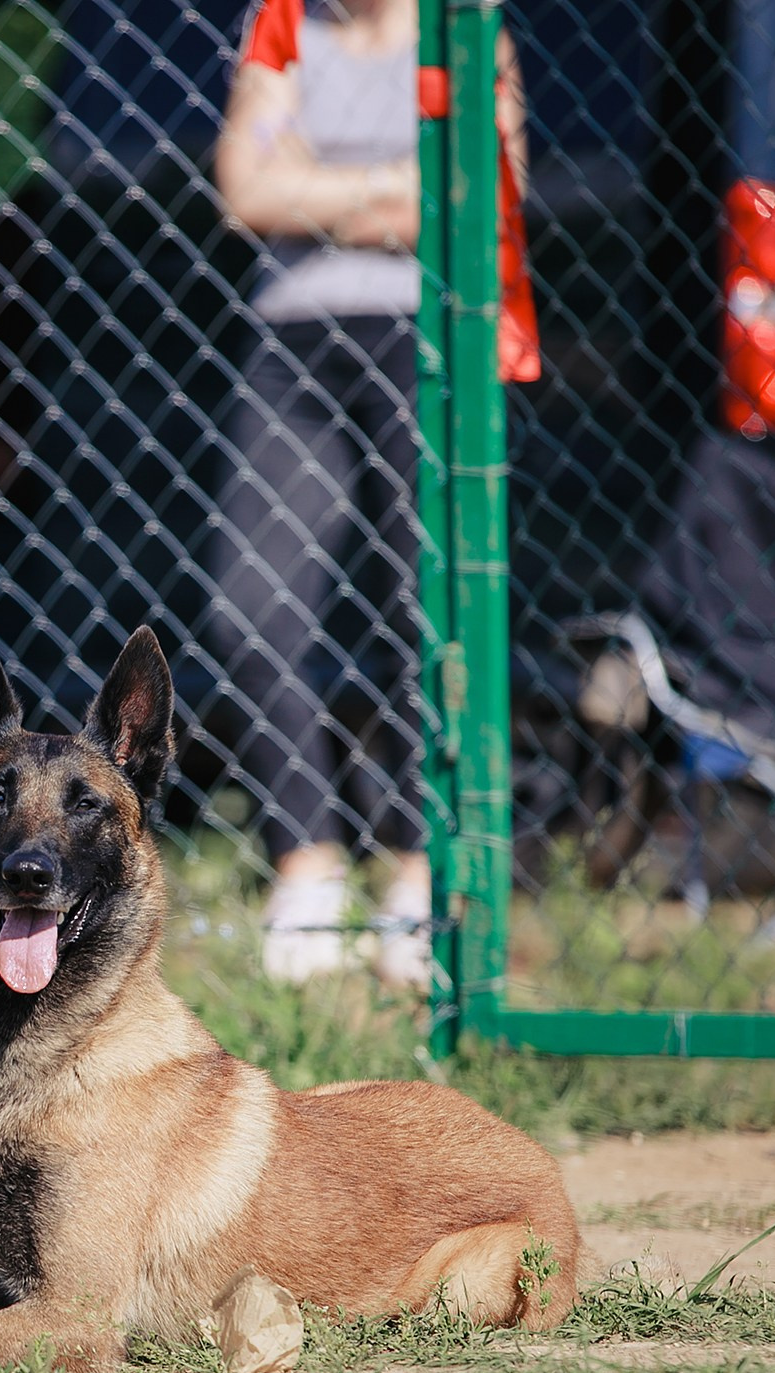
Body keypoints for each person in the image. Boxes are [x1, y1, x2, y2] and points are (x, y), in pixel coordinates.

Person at [209, 0, 528, 987]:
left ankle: (419, 871)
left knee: (423, 608)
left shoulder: (469, 32)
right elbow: (244, 189)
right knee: (247, 607)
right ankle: (307, 862)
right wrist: (395, 186)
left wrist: (315, 188)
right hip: (293, 346)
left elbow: (485, 195)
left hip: (426, 340)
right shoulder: (282, 29)